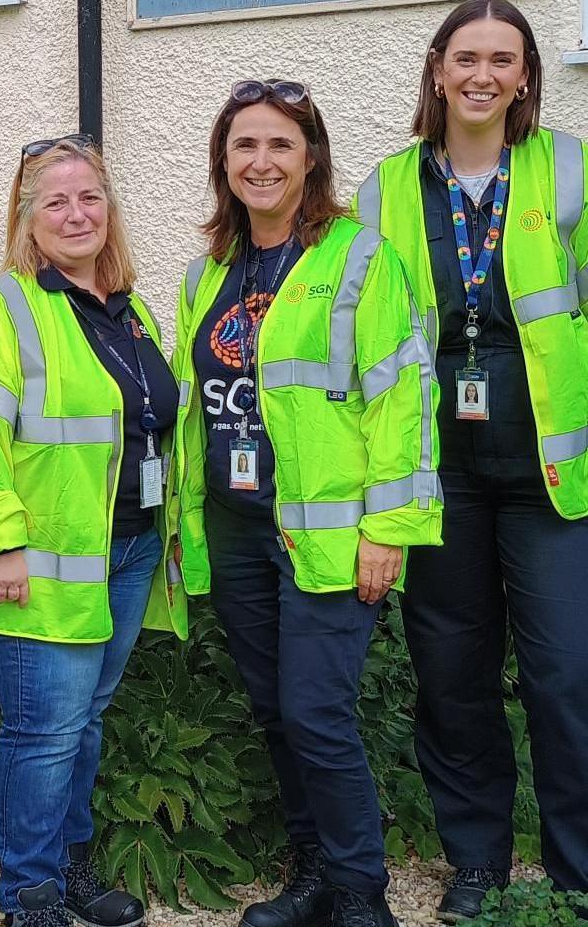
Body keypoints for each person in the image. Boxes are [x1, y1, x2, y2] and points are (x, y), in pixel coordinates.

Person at [357, 0, 588, 922]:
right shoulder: (386, 187)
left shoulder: (567, 170)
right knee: (452, 682)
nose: (482, 74)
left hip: (558, 475)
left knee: (571, 676)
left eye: (502, 58)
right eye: (466, 57)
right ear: (438, 70)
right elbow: (365, 328)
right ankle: (478, 865)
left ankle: (584, 880)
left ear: (526, 74)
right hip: (438, 476)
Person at [158, 80, 440, 927]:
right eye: (244, 146)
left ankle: (360, 891)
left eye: (280, 144)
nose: (262, 161)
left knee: (318, 710)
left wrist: (389, 529)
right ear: (223, 163)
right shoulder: (208, 270)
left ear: (311, 156)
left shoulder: (358, 259)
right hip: (237, 530)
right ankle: (314, 872)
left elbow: (403, 399)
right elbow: (187, 400)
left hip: (326, 533)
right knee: (279, 711)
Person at [0, 135, 181, 927]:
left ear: (111, 210)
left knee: (84, 722)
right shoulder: (2, 308)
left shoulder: (128, 309)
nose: (77, 215)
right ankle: (29, 897)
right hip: (36, 563)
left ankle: (71, 872)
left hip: (127, 547)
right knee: (44, 734)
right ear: (26, 219)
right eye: (56, 201)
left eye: (91, 198)